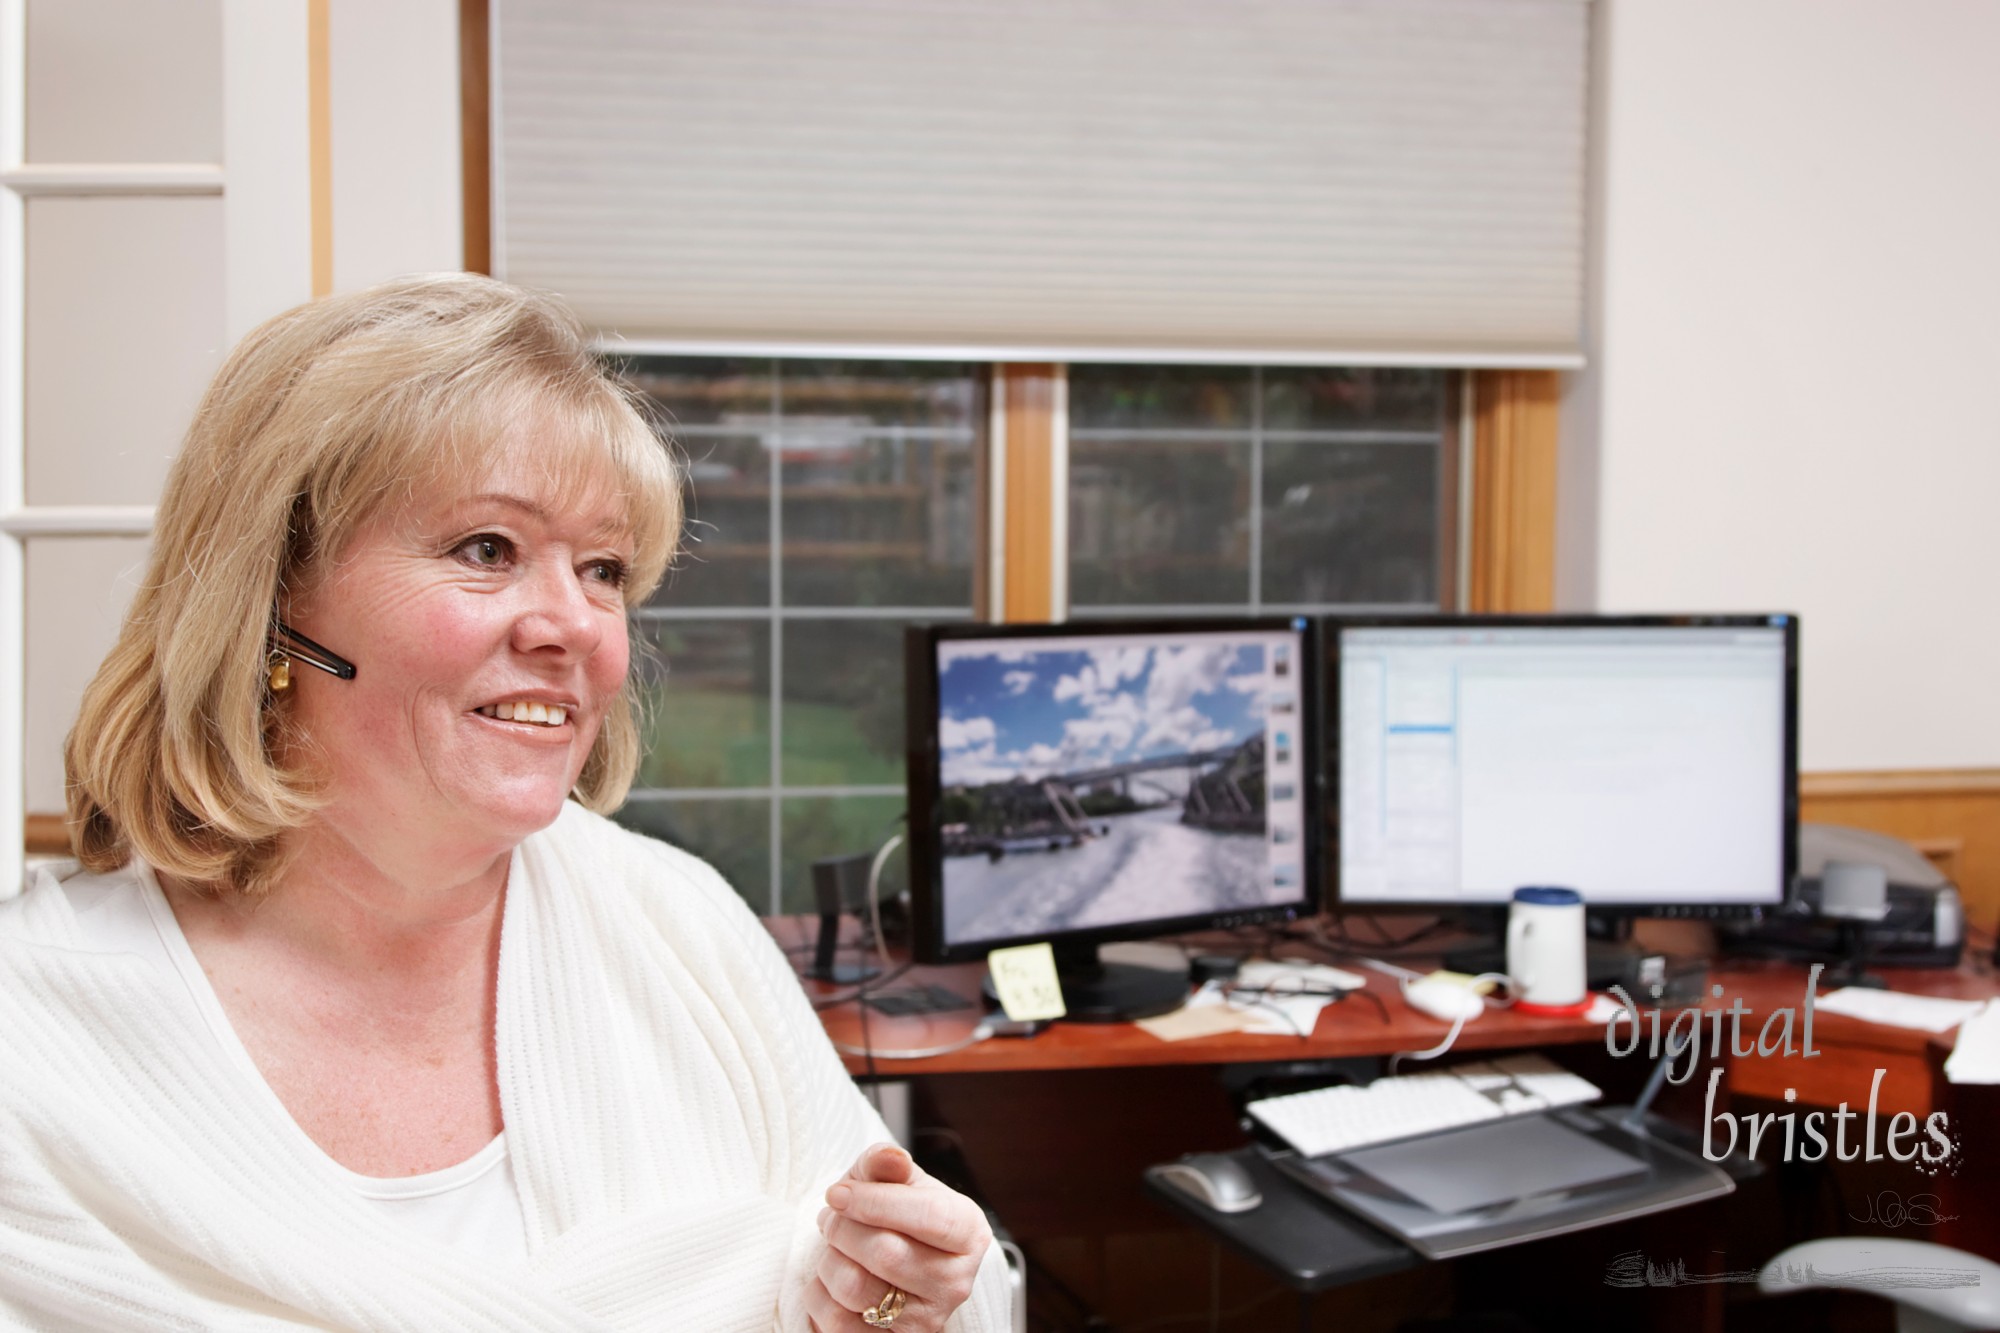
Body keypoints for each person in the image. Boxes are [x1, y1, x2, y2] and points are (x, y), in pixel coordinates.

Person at [0, 275, 1007, 1332]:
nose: (573, 626)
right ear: (275, 594)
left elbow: (944, 1281)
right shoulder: (35, 1035)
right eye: (488, 549)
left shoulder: (676, 921)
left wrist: (903, 1292)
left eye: (605, 568)